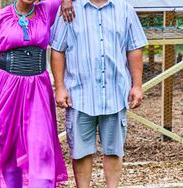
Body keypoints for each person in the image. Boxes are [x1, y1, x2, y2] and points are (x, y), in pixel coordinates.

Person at [0, 0, 75, 187]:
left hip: (38, 89)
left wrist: (67, 1)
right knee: (10, 147)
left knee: (41, 145)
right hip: (7, 90)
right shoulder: (0, 18)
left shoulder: (47, 10)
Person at [50, 0, 148, 187]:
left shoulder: (125, 9)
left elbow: (134, 48)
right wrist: (60, 86)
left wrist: (137, 85)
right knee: (80, 151)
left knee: (113, 150)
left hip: (115, 92)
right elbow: (57, 50)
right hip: (79, 94)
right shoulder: (70, 9)